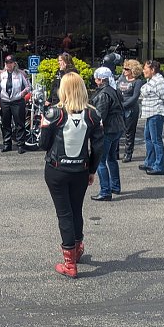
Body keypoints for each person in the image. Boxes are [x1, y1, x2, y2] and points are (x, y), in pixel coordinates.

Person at [40, 72, 104, 279]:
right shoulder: (93, 114)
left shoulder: (54, 113)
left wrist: (43, 124)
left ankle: (70, 263)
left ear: (64, 89)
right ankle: (76, 250)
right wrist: (92, 170)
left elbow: (43, 145)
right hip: (80, 169)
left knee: (64, 213)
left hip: (57, 170)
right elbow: (99, 146)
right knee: (76, 210)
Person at [90, 67, 124, 201]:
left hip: (108, 129)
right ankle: (115, 186)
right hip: (118, 127)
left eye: (96, 77)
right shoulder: (113, 90)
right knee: (111, 158)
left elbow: (99, 115)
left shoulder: (104, 94)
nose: (94, 79)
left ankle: (105, 191)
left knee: (100, 161)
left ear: (100, 79)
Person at [138, 60, 164, 176]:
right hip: (149, 114)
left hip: (156, 113)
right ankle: (150, 162)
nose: (143, 71)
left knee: (156, 140)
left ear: (152, 70)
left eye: (145, 69)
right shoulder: (151, 80)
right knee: (148, 138)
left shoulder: (159, 82)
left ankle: (160, 166)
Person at [0, 54, 31, 153]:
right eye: (7, 63)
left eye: (10, 63)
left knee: (19, 123)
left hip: (17, 101)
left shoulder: (21, 73)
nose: (9, 65)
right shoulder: (2, 74)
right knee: (5, 123)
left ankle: (20, 145)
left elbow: (28, 87)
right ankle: (7, 144)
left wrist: (21, 94)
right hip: (5, 101)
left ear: (14, 63)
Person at [116, 59, 144, 163]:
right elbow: (117, 90)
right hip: (120, 108)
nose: (124, 70)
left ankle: (128, 154)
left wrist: (124, 105)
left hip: (131, 110)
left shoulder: (138, 82)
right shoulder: (122, 78)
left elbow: (135, 97)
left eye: (127, 69)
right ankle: (115, 153)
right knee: (118, 131)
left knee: (129, 133)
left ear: (133, 70)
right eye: (124, 68)